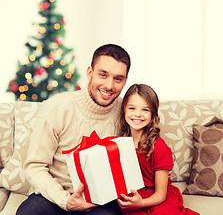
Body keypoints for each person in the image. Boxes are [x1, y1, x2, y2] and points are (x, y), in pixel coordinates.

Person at [16, 44, 131, 215]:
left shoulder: (128, 112)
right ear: (89, 73)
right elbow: (35, 166)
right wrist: (65, 201)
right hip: (55, 197)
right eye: (103, 75)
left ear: (125, 81)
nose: (109, 85)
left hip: (100, 202)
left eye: (118, 79)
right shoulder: (56, 107)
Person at [117, 84, 200, 215]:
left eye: (145, 110)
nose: (137, 114)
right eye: (132, 108)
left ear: (153, 113)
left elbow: (160, 194)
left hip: (158, 198)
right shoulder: (120, 144)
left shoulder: (159, 148)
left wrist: (142, 203)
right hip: (136, 196)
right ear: (124, 110)